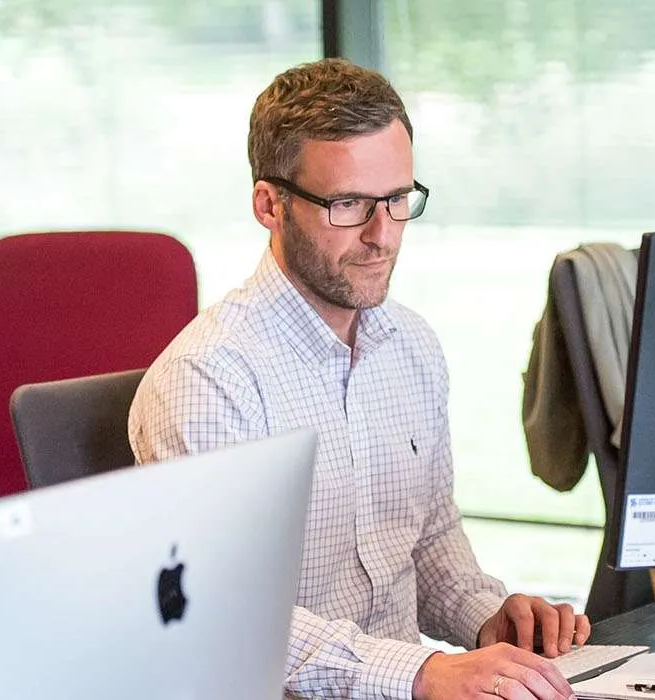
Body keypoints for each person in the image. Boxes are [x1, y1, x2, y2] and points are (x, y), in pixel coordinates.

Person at [129, 58, 584, 700]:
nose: (383, 235)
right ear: (270, 204)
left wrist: (488, 618)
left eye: (398, 199)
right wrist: (422, 672)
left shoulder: (411, 346)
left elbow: (427, 540)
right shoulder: (210, 380)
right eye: (348, 205)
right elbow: (230, 616)